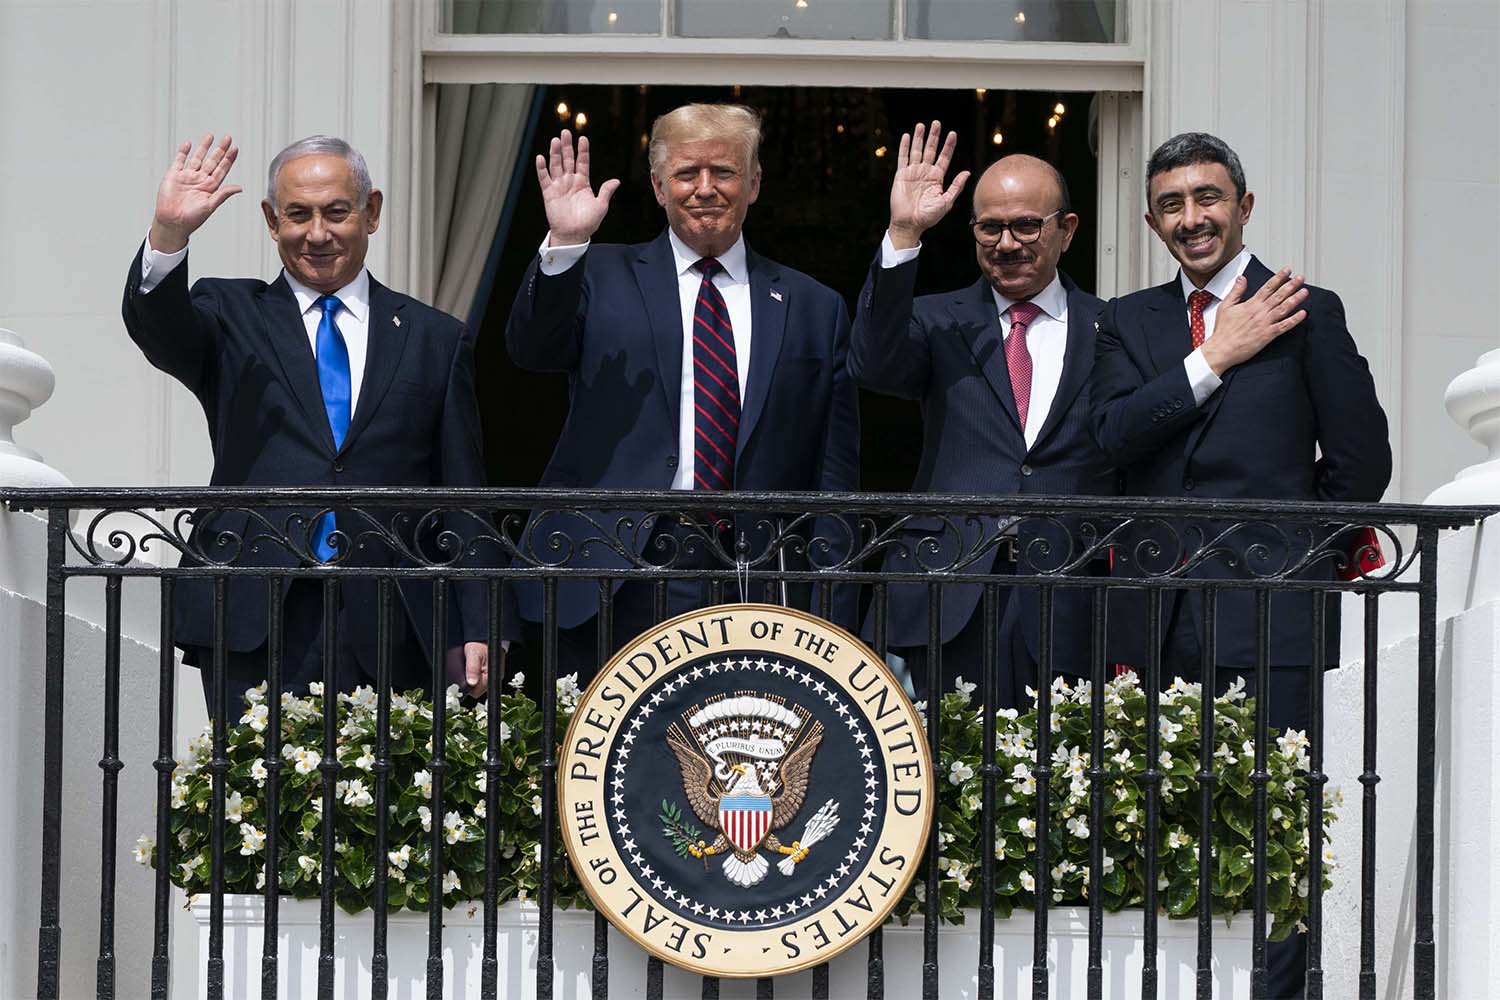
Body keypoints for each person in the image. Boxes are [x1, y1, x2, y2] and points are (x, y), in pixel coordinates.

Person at [1090, 131, 1391, 997]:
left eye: (1209, 198)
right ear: (1152, 220)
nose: (1194, 218)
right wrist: (1214, 357)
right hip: (1154, 613)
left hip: (1272, 612)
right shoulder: (1129, 320)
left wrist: (1303, 560)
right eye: (1175, 205)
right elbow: (1111, 435)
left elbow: (1362, 463)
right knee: (1155, 815)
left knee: (1276, 822)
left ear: (1244, 205)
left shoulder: (1304, 309)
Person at [123, 133, 498, 706]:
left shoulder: (434, 338)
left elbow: (462, 493)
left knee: (390, 791)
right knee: (253, 788)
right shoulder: (230, 313)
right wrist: (170, 234)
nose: (317, 234)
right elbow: (159, 327)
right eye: (298, 214)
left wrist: (480, 619)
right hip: (255, 602)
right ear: (272, 222)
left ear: (371, 213)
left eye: (336, 212)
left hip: (395, 611)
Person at [505, 104, 860, 682]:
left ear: (754, 183)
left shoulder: (814, 307)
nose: (705, 189)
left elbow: (834, 471)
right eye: (686, 174)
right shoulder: (597, 274)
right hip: (613, 573)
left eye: (723, 172)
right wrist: (567, 243)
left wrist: (832, 606)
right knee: (600, 765)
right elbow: (532, 352)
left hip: (755, 578)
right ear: (658, 186)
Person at [849, 123, 1116, 704]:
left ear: (1066, 231)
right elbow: (871, 365)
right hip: (949, 589)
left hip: (1068, 594)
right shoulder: (938, 319)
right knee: (939, 775)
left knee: (1059, 781)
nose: (1007, 242)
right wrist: (904, 232)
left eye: (1026, 225)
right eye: (990, 227)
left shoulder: (1112, 328)